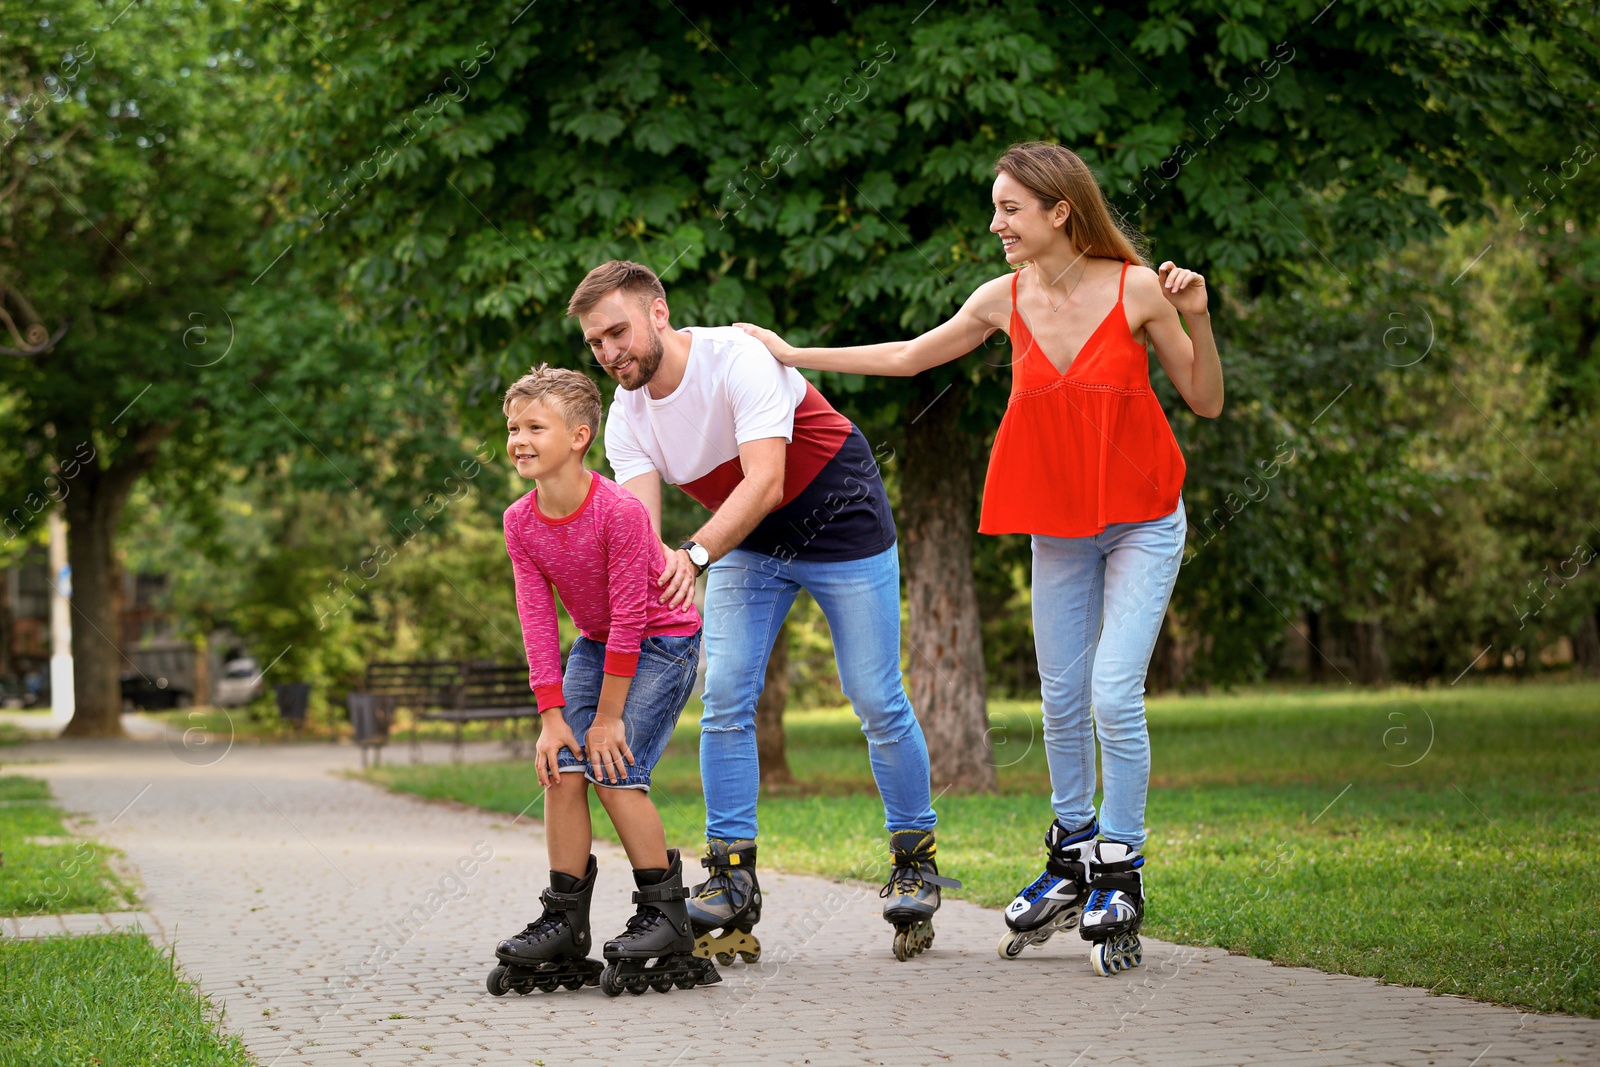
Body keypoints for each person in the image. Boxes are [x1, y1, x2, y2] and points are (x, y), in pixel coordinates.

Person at [736, 141, 1223, 977]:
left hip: (1144, 517)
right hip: (1059, 522)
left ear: (1059, 210)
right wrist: (790, 354)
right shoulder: (1004, 298)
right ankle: (1071, 848)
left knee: (1112, 690)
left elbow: (1206, 400)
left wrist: (1201, 314)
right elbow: (909, 354)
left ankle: (1121, 866)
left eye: (1009, 208)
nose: (995, 223)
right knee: (1062, 696)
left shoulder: (1138, 289)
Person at [568, 259, 958, 964]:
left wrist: (693, 555)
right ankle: (732, 874)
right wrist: (644, 581)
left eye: (617, 331)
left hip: (840, 518)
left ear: (659, 313)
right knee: (725, 695)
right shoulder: (626, 417)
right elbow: (643, 536)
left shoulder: (735, 358)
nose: (609, 352)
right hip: (746, 538)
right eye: (595, 342)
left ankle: (914, 856)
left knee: (874, 695)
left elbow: (768, 479)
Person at [487, 365, 718, 998]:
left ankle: (666, 918)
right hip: (595, 645)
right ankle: (563, 922)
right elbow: (535, 620)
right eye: (513, 427)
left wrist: (608, 717)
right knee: (563, 767)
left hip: (662, 641)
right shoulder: (520, 521)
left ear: (580, 435)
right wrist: (551, 716)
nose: (519, 439)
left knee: (614, 770)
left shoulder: (617, 510)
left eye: (535, 426)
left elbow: (631, 617)